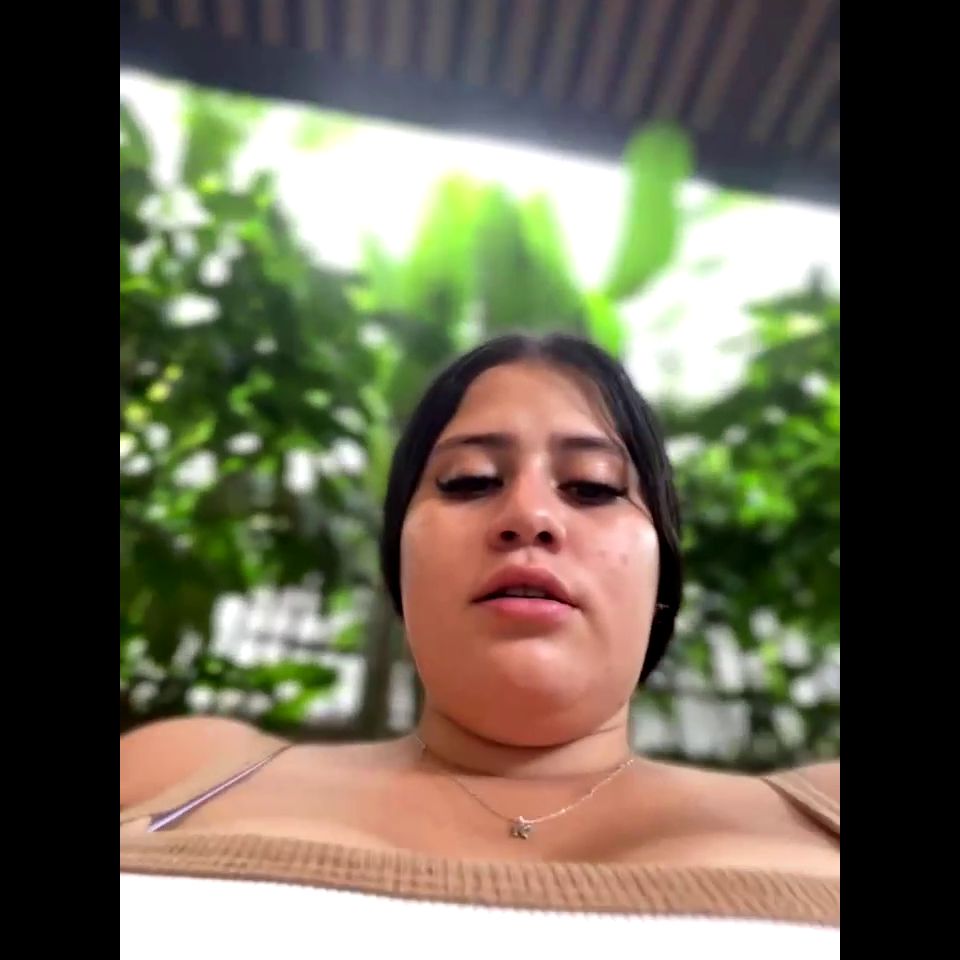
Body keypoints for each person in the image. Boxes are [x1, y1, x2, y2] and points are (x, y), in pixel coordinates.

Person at [121, 334, 839, 953]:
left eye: (592, 487)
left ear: (663, 575)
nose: (528, 513)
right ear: (399, 563)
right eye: (469, 481)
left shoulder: (824, 811)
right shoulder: (187, 771)